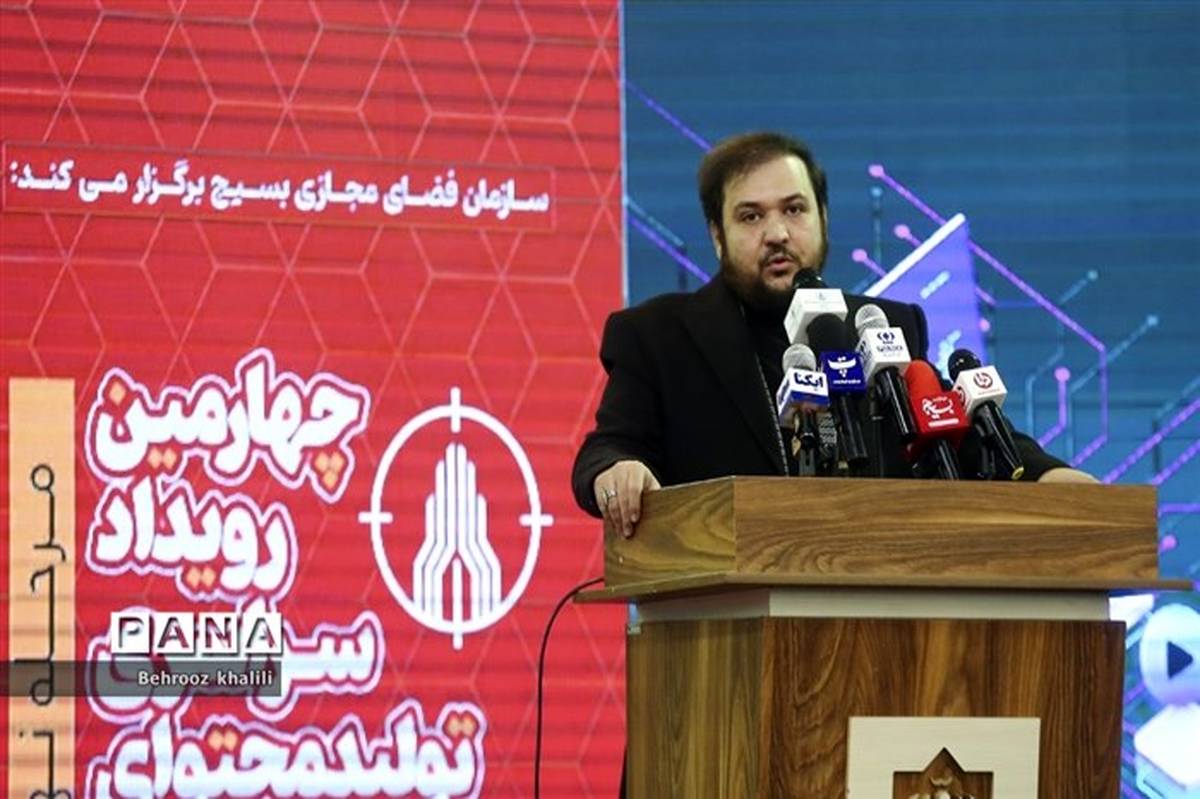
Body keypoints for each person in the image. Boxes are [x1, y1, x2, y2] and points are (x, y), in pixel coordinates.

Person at [572, 131, 1096, 537]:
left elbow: (956, 428)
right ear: (717, 235)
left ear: (822, 217)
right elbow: (607, 449)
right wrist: (617, 471)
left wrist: (1046, 474)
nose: (777, 233)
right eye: (751, 217)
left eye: (794, 209)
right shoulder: (658, 336)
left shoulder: (884, 326)